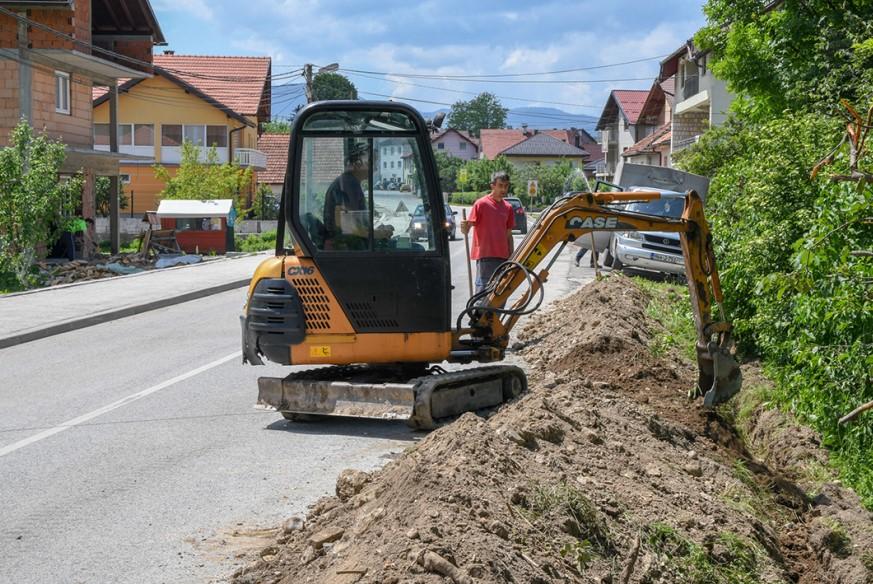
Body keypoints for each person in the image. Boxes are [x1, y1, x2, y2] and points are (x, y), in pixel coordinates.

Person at [460, 171, 515, 294]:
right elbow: (467, 228)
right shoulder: (481, 204)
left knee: (500, 291)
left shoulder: (508, 208)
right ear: (492, 186)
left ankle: (495, 314)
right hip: (486, 256)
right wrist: (464, 226)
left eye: (506, 186)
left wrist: (512, 256)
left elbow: (508, 235)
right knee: (483, 291)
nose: (503, 189)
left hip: (503, 257)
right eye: (500, 185)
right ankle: (479, 313)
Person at [323, 143, 370, 249]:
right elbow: (347, 225)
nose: (375, 169)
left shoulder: (349, 182)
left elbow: (356, 222)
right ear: (358, 163)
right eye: (371, 163)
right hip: (344, 246)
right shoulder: (348, 184)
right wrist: (377, 234)